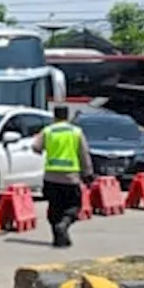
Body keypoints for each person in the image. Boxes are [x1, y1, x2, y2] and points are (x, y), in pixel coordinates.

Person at [30, 106, 94, 248]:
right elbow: (84, 154)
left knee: (54, 208)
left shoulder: (48, 131)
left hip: (51, 177)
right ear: (68, 117)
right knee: (73, 206)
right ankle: (64, 224)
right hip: (70, 177)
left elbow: (35, 147)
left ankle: (59, 238)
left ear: (54, 116)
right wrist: (88, 174)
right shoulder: (76, 132)